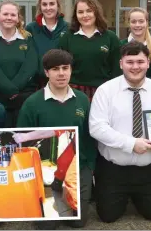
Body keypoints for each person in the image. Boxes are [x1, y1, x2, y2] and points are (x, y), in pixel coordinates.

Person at [89, 41, 151, 222]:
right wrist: (132, 144)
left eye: (140, 62)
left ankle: (137, 195)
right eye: (130, 62)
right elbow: (97, 127)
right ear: (121, 64)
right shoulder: (105, 91)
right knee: (108, 216)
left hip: (148, 168)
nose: (135, 67)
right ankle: (124, 195)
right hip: (113, 169)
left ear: (148, 63)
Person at [15, 49, 96, 229]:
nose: (61, 73)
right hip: (45, 169)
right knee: (47, 225)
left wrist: (89, 166)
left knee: (77, 222)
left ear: (70, 70)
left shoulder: (82, 100)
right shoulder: (33, 103)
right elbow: (24, 142)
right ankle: (50, 201)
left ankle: (68, 198)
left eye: (65, 68)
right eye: (55, 69)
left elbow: (90, 137)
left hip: (77, 167)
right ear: (46, 72)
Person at [0, 0, 38, 127]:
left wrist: (14, 89)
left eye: (13, 15)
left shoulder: (27, 38)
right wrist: (9, 89)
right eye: (5, 14)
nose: (9, 18)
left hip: (22, 99)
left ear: (18, 18)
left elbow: (30, 65)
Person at [59, 0, 121, 101]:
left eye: (89, 11)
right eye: (80, 12)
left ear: (96, 12)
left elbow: (117, 69)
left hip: (103, 91)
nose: (85, 15)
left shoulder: (110, 37)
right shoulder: (67, 37)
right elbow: (62, 66)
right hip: (73, 91)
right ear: (75, 15)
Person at [26, 0, 68, 88]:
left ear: (58, 5)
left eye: (52, 4)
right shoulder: (31, 28)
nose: (48, 8)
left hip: (62, 82)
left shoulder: (68, 28)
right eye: (44, 4)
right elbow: (28, 56)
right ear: (40, 7)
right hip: (38, 84)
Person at [120, 7, 151, 79]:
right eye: (133, 22)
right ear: (129, 23)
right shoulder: (120, 45)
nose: (137, 25)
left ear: (147, 23)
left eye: (141, 21)